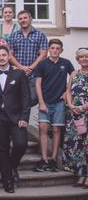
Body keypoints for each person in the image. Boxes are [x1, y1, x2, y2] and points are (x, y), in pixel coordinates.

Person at [0, 45, 30, 193]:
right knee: (2, 149)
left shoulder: (19, 74)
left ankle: (12, 166)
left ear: (8, 57)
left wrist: (25, 117)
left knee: (21, 144)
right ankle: (7, 180)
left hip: (17, 117)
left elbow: (26, 97)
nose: (1, 58)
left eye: (3, 55)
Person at [32, 39, 74, 172]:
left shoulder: (66, 63)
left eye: (57, 48)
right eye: (53, 48)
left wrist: (67, 91)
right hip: (45, 102)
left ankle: (53, 159)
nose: (55, 50)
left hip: (59, 103)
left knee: (56, 130)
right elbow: (37, 84)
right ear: (49, 49)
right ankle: (44, 159)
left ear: (61, 50)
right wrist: (41, 102)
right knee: (43, 129)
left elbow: (74, 75)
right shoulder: (42, 64)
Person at [7, 9, 48, 120]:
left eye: (25, 18)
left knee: (32, 98)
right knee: (15, 98)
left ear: (30, 19)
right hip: (18, 73)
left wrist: (31, 67)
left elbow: (43, 54)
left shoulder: (40, 35)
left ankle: (22, 120)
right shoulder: (13, 36)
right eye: (20, 19)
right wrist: (22, 67)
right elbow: (9, 55)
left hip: (34, 74)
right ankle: (19, 123)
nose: (23, 20)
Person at [63, 47, 88, 187]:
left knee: (87, 146)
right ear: (77, 59)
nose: (84, 59)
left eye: (86, 56)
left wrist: (83, 107)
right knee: (76, 145)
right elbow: (68, 91)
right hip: (75, 115)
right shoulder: (74, 73)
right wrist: (71, 105)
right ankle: (80, 176)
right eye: (81, 57)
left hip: (86, 112)